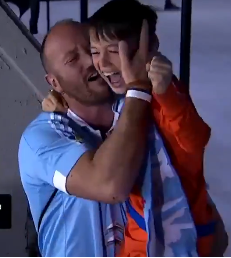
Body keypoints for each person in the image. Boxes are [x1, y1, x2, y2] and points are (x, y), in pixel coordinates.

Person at [19, 20, 198, 257]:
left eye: (91, 50)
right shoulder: (41, 138)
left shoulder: (141, 108)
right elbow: (109, 185)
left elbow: (191, 158)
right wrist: (137, 88)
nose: (92, 63)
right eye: (72, 60)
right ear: (54, 82)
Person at [87, 0, 227, 257]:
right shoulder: (119, 101)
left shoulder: (166, 93)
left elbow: (195, 140)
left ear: (149, 47)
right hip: (136, 240)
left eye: (114, 51)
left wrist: (166, 94)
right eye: (95, 51)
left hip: (188, 239)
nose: (103, 63)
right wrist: (59, 103)